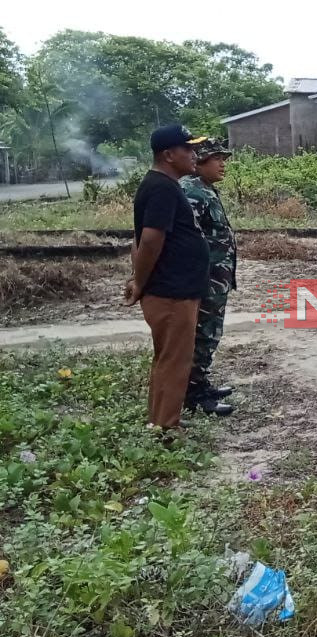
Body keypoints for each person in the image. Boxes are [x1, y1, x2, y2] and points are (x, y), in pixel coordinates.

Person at [124, 125, 210, 432]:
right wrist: (140, 283)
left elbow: (138, 238)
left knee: (167, 359)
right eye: (188, 149)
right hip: (172, 293)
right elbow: (148, 240)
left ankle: (158, 421)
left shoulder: (163, 185)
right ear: (168, 154)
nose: (194, 155)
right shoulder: (161, 187)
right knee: (175, 362)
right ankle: (166, 430)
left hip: (175, 290)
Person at [181, 139, 237, 417]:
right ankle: (193, 394)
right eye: (217, 158)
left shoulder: (205, 190)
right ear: (200, 162)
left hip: (216, 278)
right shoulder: (192, 193)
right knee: (203, 334)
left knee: (209, 333)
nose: (222, 164)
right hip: (204, 280)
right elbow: (185, 239)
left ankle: (200, 382)